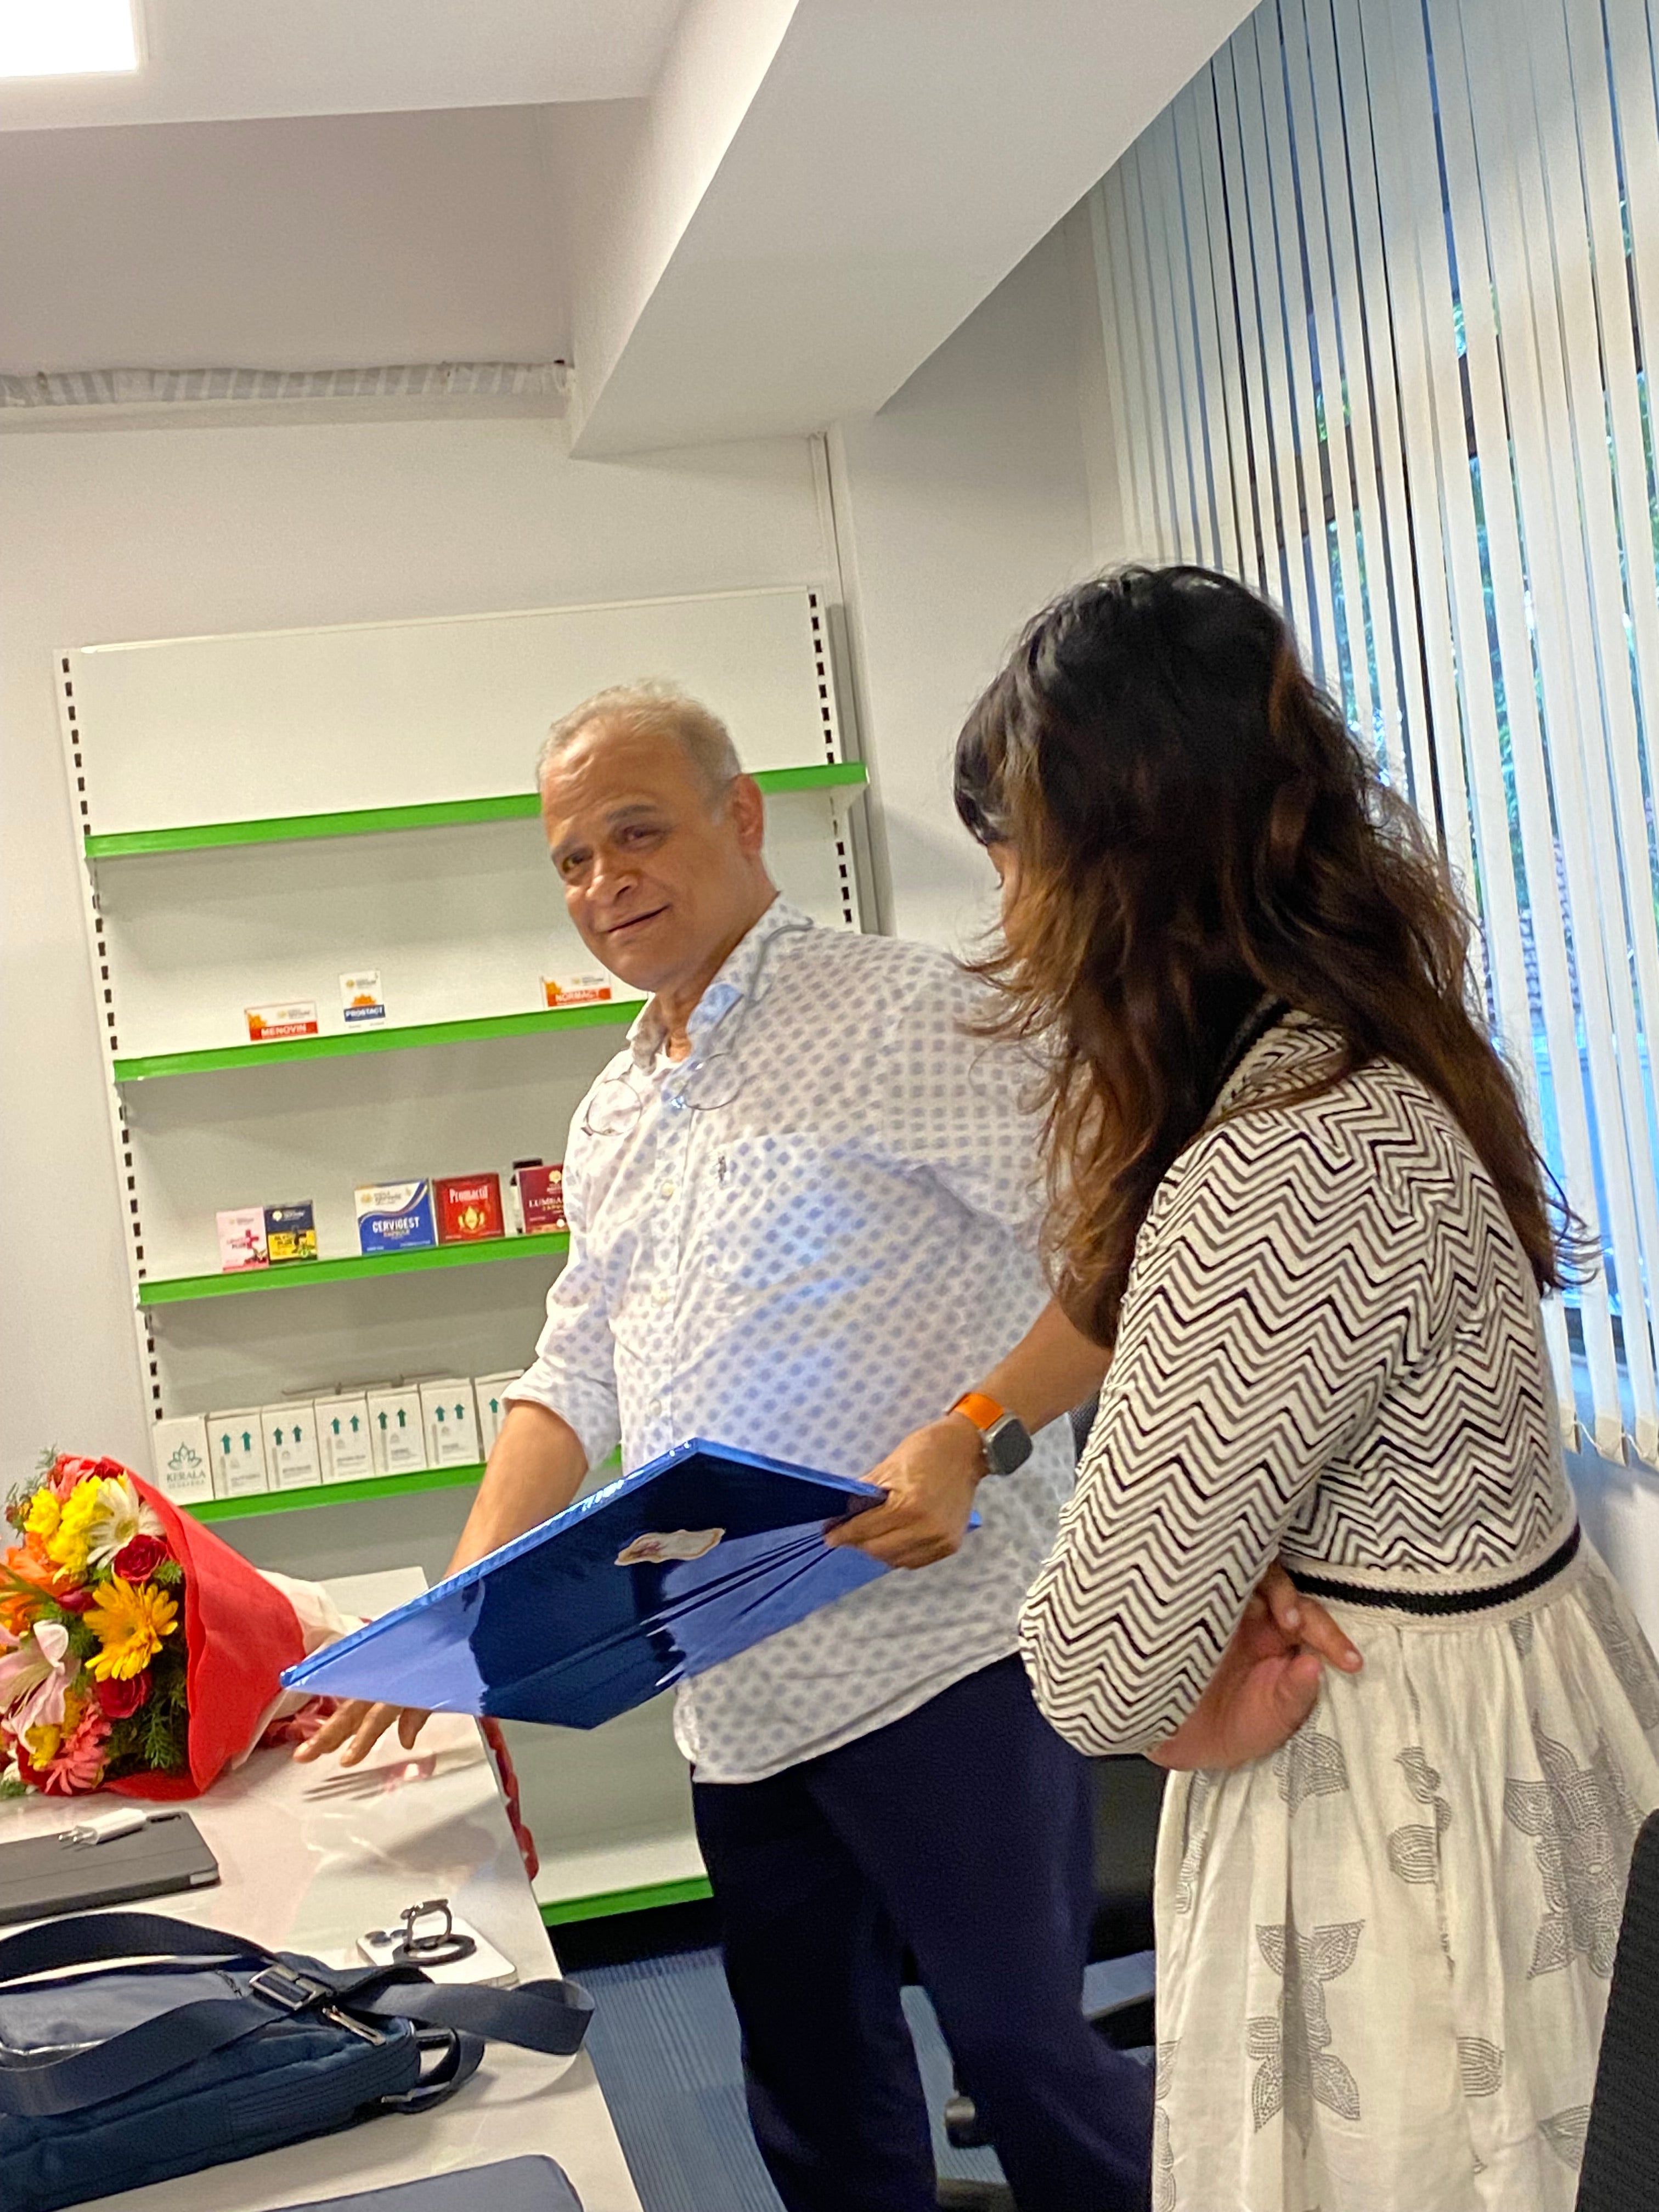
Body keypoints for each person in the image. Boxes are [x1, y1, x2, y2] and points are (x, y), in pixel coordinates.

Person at [301, 679, 1211, 2212]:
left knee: (1029, 2062)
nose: (605, 886)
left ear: (742, 818)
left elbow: (1123, 1255)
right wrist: (461, 1611)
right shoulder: (615, 1107)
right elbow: (572, 1365)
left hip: (944, 1662)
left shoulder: (907, 1013)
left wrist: (979, 1434)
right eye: (574, 862)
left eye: (637, 835)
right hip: (736, 1691)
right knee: (811, 2084)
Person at [848, 567, 1659, 2212]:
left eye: (1011, 849)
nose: (1000, 907)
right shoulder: (1367, 1048)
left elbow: (1100, 1669)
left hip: (1396, 1803)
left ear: (1114, 862)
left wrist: (1188, 1621)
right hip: (1517, 1732)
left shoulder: (1275, 1165)